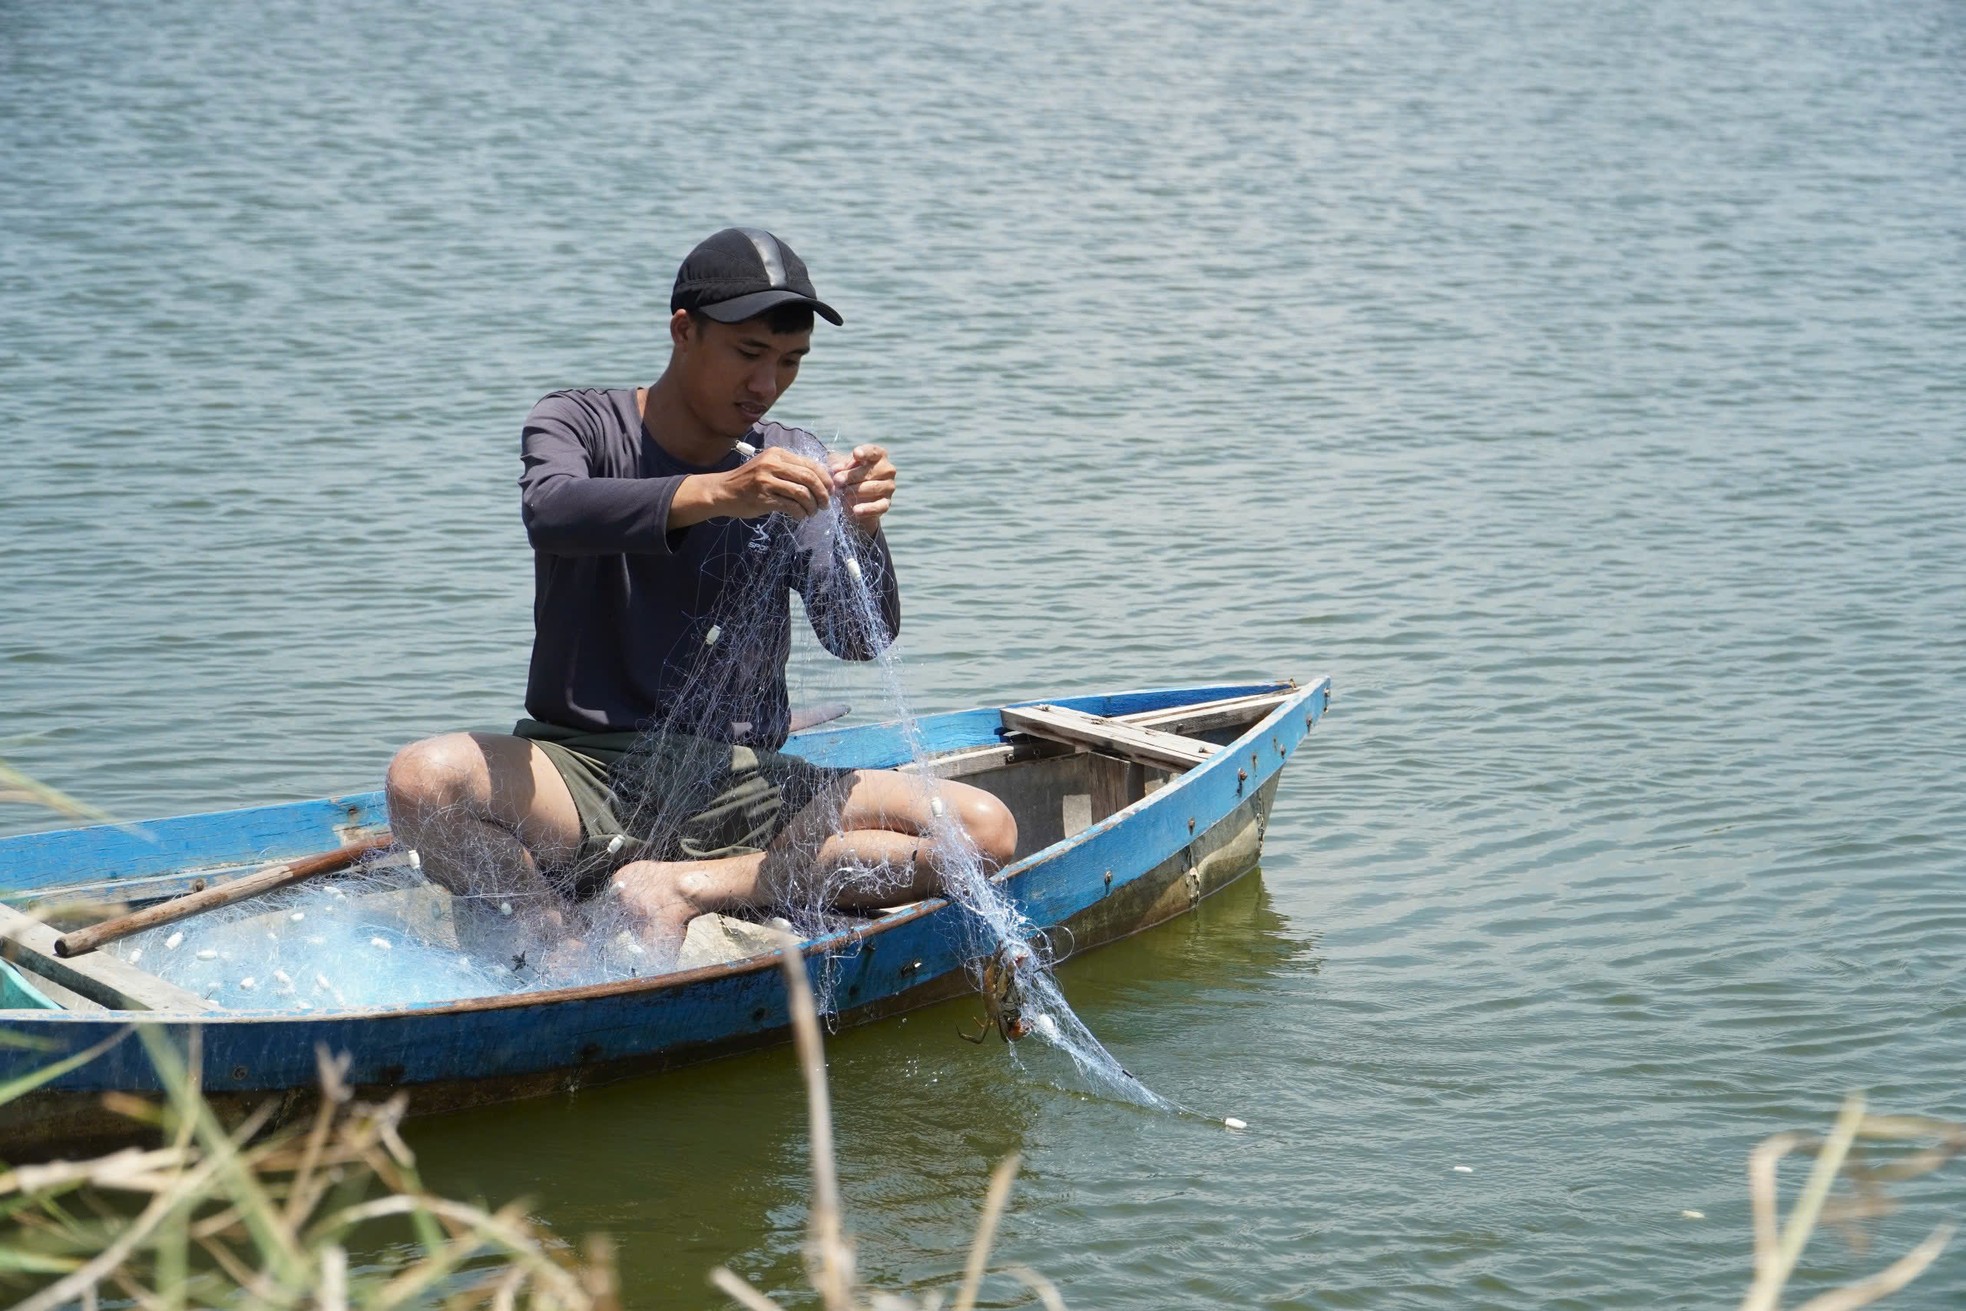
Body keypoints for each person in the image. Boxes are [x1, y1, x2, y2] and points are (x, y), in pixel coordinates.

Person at [384, 228, 1017, 973]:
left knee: (986, 829)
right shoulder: (579, 423)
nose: (767, 384)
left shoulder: (791, 456)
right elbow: (552, 510)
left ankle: (687, 886)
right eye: (748, 354)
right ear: (684, 329)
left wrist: (863, 532)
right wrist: (719, 494)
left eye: (789, 362)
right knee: (421, 780)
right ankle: (547, 930)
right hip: (580, 773)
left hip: (744, 783)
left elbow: (855, 636)